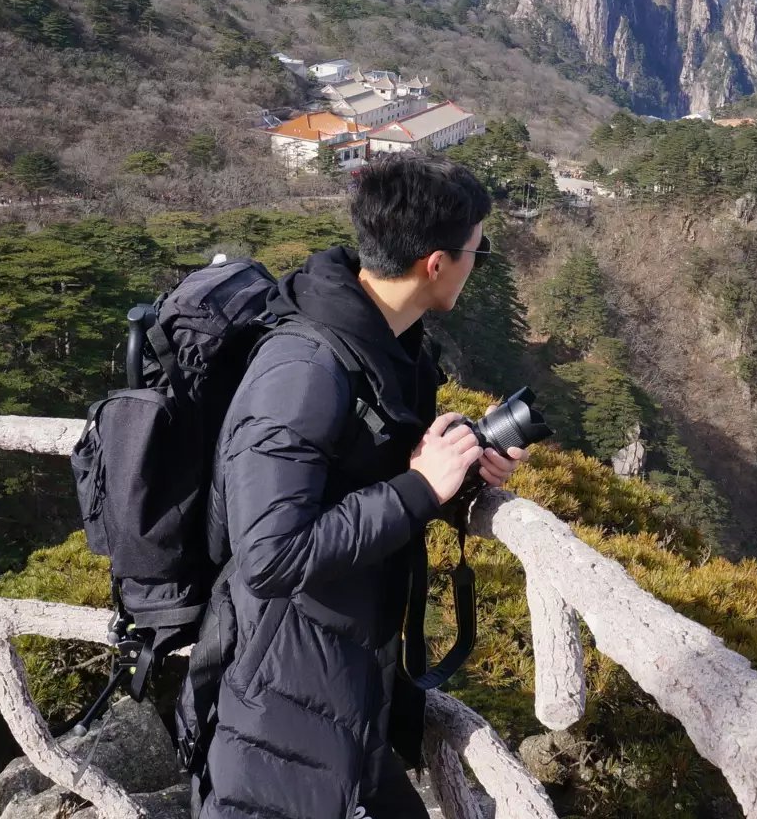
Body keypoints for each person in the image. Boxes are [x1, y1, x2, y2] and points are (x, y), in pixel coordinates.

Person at [199, 152, 528, 819]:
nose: (478, 260)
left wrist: (457, 479)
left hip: (348, 676)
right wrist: (417, 487)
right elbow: (270, 556)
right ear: (436, 264)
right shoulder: (304, 370)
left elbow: (359, 480)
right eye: (477, 249)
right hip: (282, 692)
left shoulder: (390, 348)